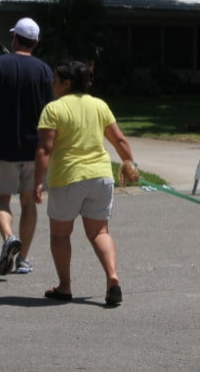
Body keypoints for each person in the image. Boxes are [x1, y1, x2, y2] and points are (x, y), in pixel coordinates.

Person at [34, 60, 136, 305]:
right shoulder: (99, 105)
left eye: (56, 80)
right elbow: (119, 139)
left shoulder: (54, 109)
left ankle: (65, 287)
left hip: (68, 177)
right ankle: (113, 277)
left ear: (67, 83)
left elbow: (45, 148)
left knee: (60, 234)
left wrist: (37, 180)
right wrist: (130, 163)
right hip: (100, 177)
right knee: (99, 231)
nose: (52, 84)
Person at [0, 17, 53, 275]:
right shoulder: (44, 70)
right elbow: (49, 111)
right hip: (35, 148)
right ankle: (23, 259)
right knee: (29, 202)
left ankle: (9, 237)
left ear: (14, 38)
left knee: (0, 199)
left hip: (3, 145)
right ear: (36, 42)